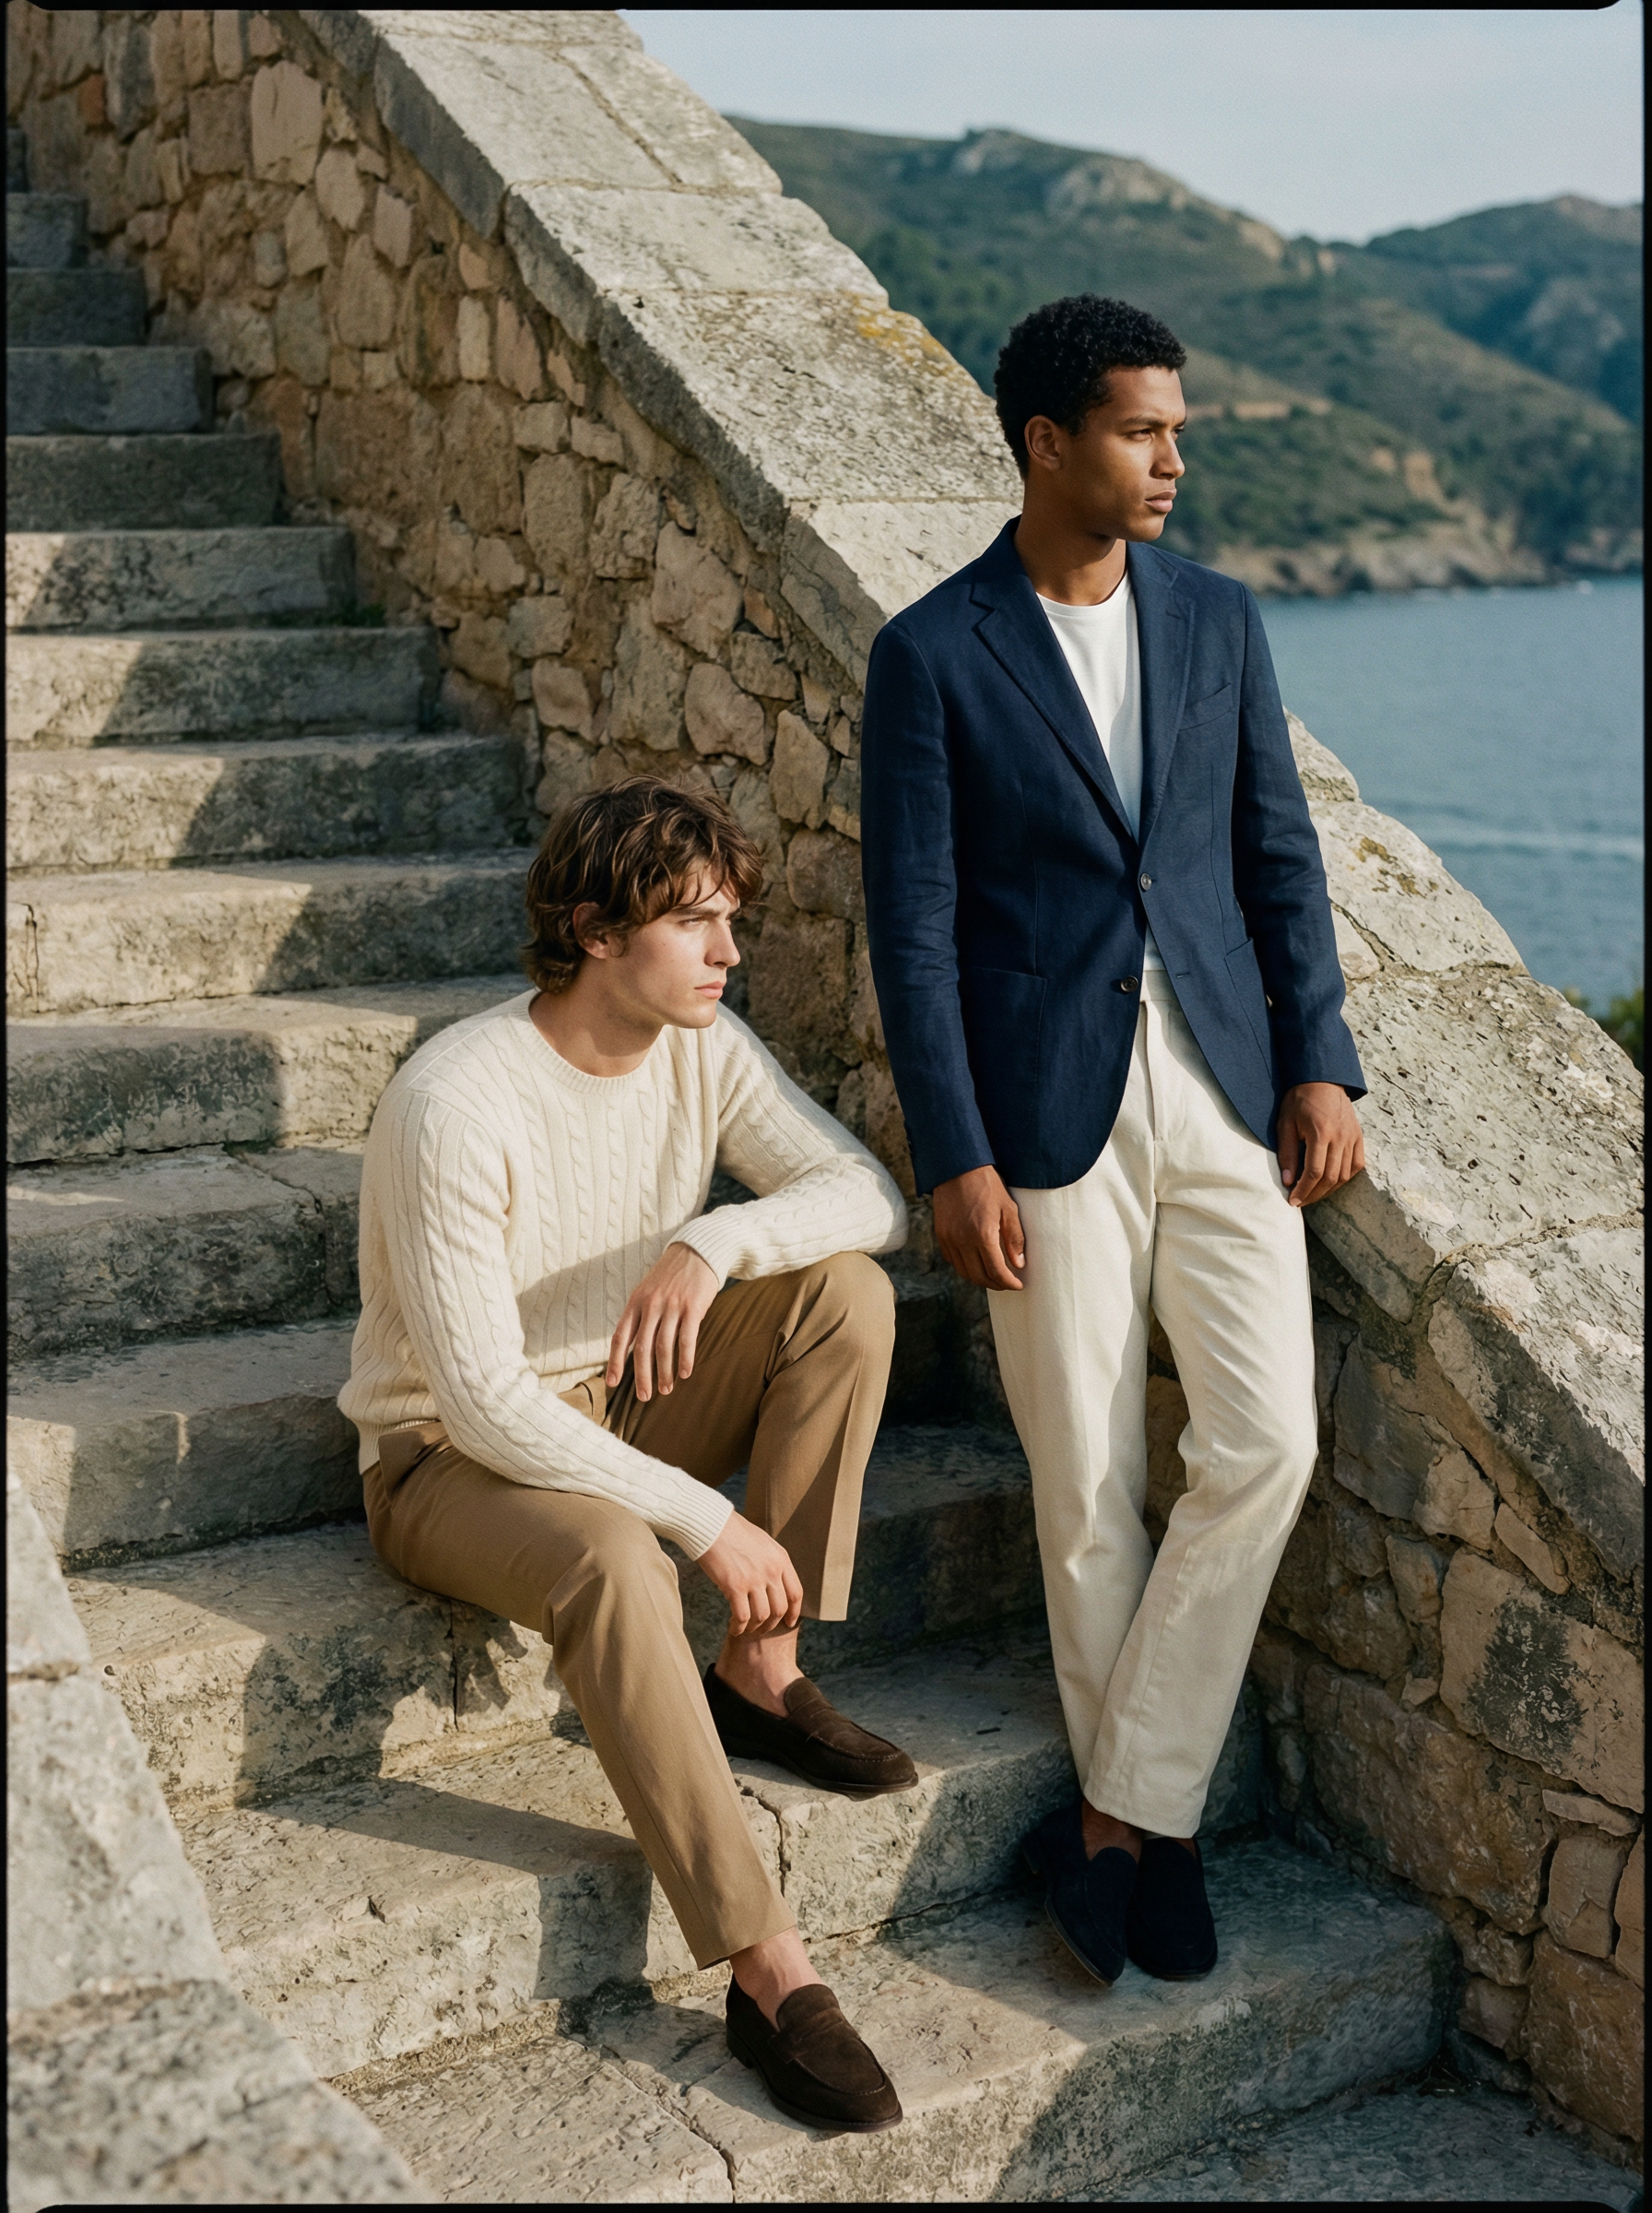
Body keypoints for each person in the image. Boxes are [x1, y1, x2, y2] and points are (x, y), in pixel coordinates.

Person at [859, 293, 1367, 1988]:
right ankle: (1169, 1842)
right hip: (1042, 1106)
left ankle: (1118, 1812)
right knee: (1085, 1480)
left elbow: (1274, 855)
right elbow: (914, 931)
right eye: (1143, 432)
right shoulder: (932, 653)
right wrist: (955, 1151)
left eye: (1177, 432)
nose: (1170, 462)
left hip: (1225, 1086)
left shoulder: (1220, 622)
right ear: (1047, 442)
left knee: (1267, 1444)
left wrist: (1326, 1062)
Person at [342, 775, 916, 2132]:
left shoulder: (701, 1046)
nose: (730, 954)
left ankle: (759, 1675)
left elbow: (867, 1196)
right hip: (442, 1457)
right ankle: (767, 1967)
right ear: (597, 931)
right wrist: (701, 1521)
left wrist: (710, 1243)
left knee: (847, 1293)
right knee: (616, 1553)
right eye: (696, 924)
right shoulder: (456, 1100)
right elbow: (482, 1402)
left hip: (615, 1390)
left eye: (733, 922)